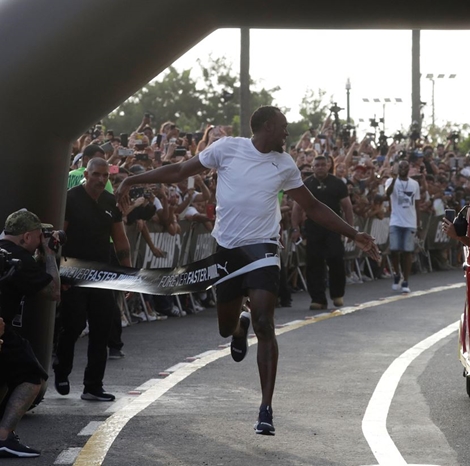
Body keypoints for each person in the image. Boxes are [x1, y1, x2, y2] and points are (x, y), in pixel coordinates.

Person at [116, 105, 380, 436]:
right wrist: (131, 178)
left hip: (263, 248)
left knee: (266, 323)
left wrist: (354, 233)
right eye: (283, 127)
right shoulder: (228, 148)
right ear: (267, 127)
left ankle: (266, 408)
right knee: (226, 329)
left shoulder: (284, 164)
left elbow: (312, 206)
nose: (287, 134)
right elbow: (180, 170)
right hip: (228, 249)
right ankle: (240, 327)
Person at [53, 158, 131, 402]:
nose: (101, 180)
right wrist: (58, 274)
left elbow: (120, 240)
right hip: (73, 273)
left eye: (105, 176)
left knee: (101, 329)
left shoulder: (111, 202)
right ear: (86, 174)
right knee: (73, 325)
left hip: (102, 274)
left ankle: (93, 386)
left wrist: (129, 274)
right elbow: (57, 240)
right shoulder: (71, 198)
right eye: (96, 174)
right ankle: (61, 369)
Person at [0, 210, 61, 458]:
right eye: (38, 236)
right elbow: (53, 292)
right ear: (26, 237)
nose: (40, 240)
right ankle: (3, 437)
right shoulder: (20, 260)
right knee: (32, 376)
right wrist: (48, 254)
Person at [291, 155, 353, 310]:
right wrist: (295, 228)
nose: (320, 167)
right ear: (312, 167)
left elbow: (347, 207)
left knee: (336, 259)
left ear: (328, 166)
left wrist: (350, 230)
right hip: (313, 229)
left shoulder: (338, 183)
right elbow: (297, 208)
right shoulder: (306, 184)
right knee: (314, 263)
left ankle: (337, 294)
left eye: (322, 165)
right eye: (317, 165)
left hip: (334, 228)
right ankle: (318, 299)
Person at [385, 160, 422, 293]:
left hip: (410, 222)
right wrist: (394, 179)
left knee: (407, 252)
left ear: (409, 169)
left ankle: (405, 280)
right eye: (401, 167)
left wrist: (418, 223)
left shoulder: (414, 184)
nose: (403, 169)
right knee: (394, 250)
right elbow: (386, 194)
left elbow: (417, 205)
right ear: (398, 168)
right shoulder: (390, 181)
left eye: (406, 167)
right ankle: (396, 274)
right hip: (395, 221)